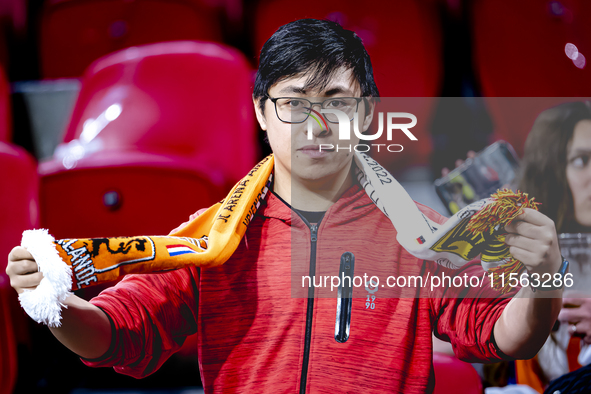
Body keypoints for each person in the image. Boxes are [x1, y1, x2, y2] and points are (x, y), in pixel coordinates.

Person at [6, 19, 565, 393]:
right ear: (260, 112)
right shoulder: (211, 238)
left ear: (368, 113)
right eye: (294, 104)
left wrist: (540, 285)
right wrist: (52, 303)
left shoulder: (422, 236)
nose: (316, 125)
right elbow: (116, 332)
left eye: (337, 103)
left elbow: (502, 333)